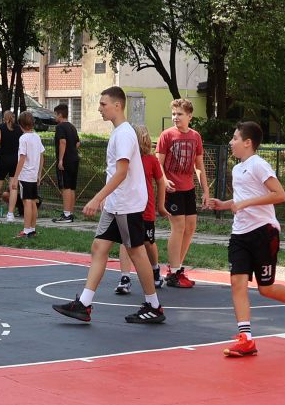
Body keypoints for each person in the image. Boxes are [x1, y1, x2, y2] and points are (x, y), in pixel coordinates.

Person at [52, 87, 163, 325]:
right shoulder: (119, 132)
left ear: (117, 105)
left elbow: (122, 172)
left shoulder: (124, 134)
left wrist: (97, 198)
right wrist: (106, 199)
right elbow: (116, 172)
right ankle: (84, 304)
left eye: (103, 104)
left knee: (136, 252)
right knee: (99, 247)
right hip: (116, 204)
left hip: (127, 204)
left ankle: (154, 306)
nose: (99, 108)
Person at [208, 121, 285, 358]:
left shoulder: (258, 164)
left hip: (263, 232)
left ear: (247, 142)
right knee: (237, 283)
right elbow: (243, 198)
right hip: (239, 234)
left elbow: (279, 195)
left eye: (235, 138)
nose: (231, 142)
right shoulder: (238, 169)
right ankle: (246, 339)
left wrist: (244, 203)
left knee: (265, 289)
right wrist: (224, 204)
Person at [157, 99, 207, 288]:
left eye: (179, 114)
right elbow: (158, 163)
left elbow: (199, 165)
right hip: (173, 189)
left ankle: (175, 269)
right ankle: (174, 270)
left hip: (188, 188)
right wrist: (164, 180)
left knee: (190, 227)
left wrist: (205, 190)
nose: (175, 117)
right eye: (173, 114)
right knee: (178, 227)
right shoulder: (166, 135)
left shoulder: (195, 136)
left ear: (189, 116)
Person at [115, 127, 166, 297]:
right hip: (128, 207)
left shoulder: (151, 160)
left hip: (146, 208)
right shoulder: (125, 159)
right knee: (125, 241)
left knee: (147, 242)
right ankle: (125, 278)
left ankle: (155, 269)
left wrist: (160, 205)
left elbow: (160, 182)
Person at [15, 112, 44, 238]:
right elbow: (42, 156)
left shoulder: (23, 138)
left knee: (27, 202)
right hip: (33, 175)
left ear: (20, 124)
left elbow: (22, 157)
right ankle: (32, 228)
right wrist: (39, 173)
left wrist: (15, 177)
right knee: (32, 202)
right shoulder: (37, 137)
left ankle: (26, 230)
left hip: (25, 175)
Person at [0, 109, 22, 221]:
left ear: (4, 118)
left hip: (3, 159)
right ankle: (10, 214)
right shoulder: (19, 129)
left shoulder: (0, 128)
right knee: (13, 187)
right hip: (15, 160)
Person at [52, 103, 81, 223]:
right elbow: (78, 143)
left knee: (66, 187)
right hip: (74, 159)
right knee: (72, 187)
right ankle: (70, 212)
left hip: (66, 160)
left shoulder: (60, 127)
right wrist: (72, 150)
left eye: (55, 114)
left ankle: (66, 214)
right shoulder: (72, 127)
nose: (54, 117)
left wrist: (60, 160)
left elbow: (62, 142)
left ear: (60, 115)